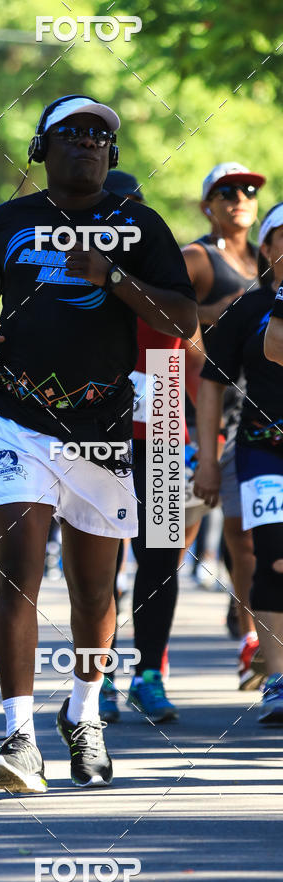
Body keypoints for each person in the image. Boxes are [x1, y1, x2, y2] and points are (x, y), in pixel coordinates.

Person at [0, 94, 197, 792]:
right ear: (42, 148)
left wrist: (114, 278)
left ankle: (84, 713)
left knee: (95, 591)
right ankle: (18, 737)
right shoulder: (9, 220)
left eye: (100, 136)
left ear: (112, 156)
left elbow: (180, 319)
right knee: (18, 577)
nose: (88, 143)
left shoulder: (139, 226)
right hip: (17, 421)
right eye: (72, 133)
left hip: (102, 429)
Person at [97, 172, 205, 724]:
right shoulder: (79, 275)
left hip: (162, 428)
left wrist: (198, 441)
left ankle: (149, 675)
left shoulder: (164, 272)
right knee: (100, 562)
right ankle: (100, 677)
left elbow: (194, 354)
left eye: (132, 212)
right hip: (98, 434)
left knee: (159, 561)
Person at [194, 204, 283, 724]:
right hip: (259, 449)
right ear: (267, 250)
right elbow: (212, 384)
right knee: (271, 556)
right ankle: (277, 678)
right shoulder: (247, 309)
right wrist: (209, 458)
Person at [182, 162, 265, 688]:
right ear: (206, 203)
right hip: (195, 419)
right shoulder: (196, 257)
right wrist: (215, 326)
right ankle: (144, 660)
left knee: (250, 539)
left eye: (249, 190)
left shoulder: (268, 261)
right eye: (227, 191)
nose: (240, 197)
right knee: (170, 542)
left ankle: (253, 638)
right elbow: (163, 317)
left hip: (256, 415)